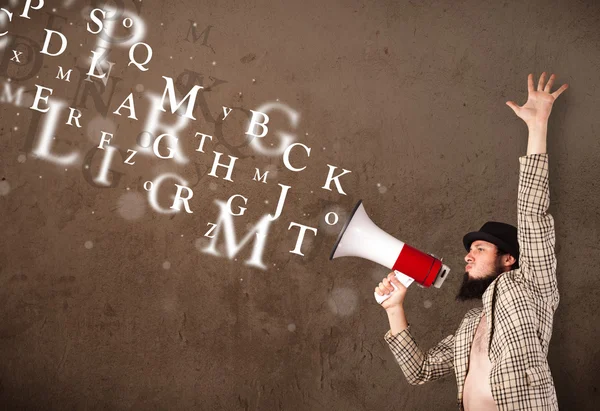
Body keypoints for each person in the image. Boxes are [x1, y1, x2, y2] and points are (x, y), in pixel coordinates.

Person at [376, 72, 568, 411]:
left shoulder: (532, 286)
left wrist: (537, 126)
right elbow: (420, 371)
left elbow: (532, 215)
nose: (468, 255)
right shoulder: (470, 326)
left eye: (480, 248)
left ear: (509, 258)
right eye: (469, 249)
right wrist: (394, 309)